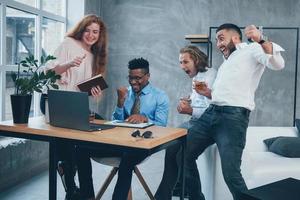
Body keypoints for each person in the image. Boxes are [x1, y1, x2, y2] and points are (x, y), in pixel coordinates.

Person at [155, 23, 285, 200]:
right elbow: (219, 94)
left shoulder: (252, 49)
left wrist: (261, 39)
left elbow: (277, 64)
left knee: (231, 174)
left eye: (221, 38)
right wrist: (207, 93)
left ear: (236, 38)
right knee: (183, 156)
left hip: (233, 118)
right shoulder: (226, 63)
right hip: (211, 114)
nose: (218, 44)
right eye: (216, 40)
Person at [76, 57, 169, 200]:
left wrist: (145, 118)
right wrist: (120, 103)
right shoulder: (126, 93)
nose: (133, 82)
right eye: (130, 78)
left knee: (127, 159)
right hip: (120, 143)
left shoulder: (160, 96)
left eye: (137, 78)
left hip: (142, 145)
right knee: (81, 149)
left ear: (147, 76)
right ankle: (87, 196)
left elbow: (162, 126)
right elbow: (116, 122)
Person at [45, 14, 108, 200]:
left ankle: (78, 186)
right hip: (56, 101)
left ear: (100, 35)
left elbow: (81, 88)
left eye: (95, 32)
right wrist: (68, 64)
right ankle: (73, 187)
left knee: (97, 128)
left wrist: (92, 91)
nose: (90, 35)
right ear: (81, 29)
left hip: (74, 104)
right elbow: (47, 70)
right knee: (74, 142)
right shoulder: (68, 44)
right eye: (87, 30)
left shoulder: (95, 56)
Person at [171, 45, 216, 197]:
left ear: (196, 60)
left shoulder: (211, 76)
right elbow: (199, 99)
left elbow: (212, 111)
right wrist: (188, 101)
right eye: (180, 62)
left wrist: (190, 110)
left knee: (183, 156)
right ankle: (176, 187)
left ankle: (195, 196)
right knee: (170, 143)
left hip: (205, 125)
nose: (182, 66)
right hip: (194, 121)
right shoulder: (197, 76)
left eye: (185, 62)